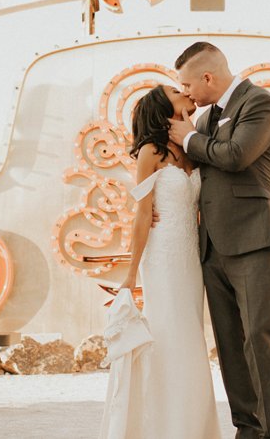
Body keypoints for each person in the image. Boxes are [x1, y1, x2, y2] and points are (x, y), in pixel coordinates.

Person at [168, 42, 270, 439]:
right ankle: (248, 429)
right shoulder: (206, 120)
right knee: (228, 343)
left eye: (188, 85)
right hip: (213, 247)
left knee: (261, 336)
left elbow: (237, 155)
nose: (187, 93)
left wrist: (189, 139)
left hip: (255, 238)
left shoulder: (258, 102)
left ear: (208, 77)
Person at [99, 84, 220, 439]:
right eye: (175, 91)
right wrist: (130, 274)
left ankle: (191, 426)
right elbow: (142, 215)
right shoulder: (151, 152)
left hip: (191, 261)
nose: (185, 92)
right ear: (163, 106)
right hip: (162, 257)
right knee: (168, 336)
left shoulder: (194, 147)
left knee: (191, 339)